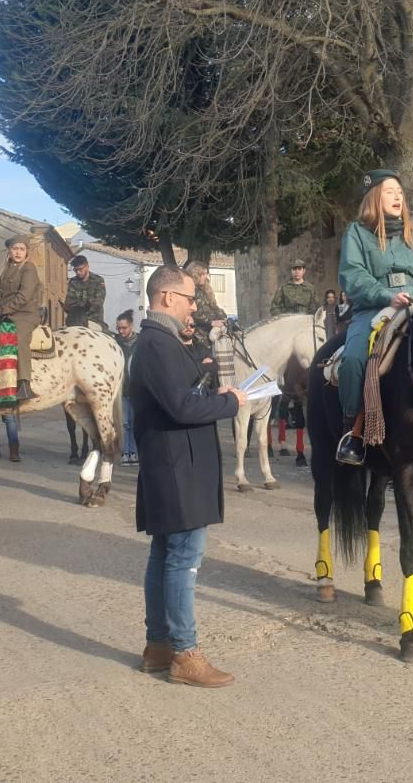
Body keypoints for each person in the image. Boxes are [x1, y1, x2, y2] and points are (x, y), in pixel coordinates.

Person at [131, 263, 247, 687]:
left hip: (176, 464)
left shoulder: (163, 342)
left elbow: (181, 396)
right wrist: (230, 403)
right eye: (188, 298)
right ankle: (184, 653)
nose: (193, 307)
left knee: (165, 554)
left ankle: (159, 646)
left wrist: (210, 387)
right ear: (165, 298)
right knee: (183, 560)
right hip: (176, 466)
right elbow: (181, 408)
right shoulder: (156, 344)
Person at [335, 170, 413, 465]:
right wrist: (385, 295)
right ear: (375, 196)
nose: (397, 197)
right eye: (390, 192)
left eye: (400, 193)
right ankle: (352, 431)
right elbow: (352, 274)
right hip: (373, 309)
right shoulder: (357, 232)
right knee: (353, 359)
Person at [0, 234, 44, 403]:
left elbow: (24, 296)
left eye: (21, 249)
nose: (18, 252)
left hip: (25, 315)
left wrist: (1, 310)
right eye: (15, 249)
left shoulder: (28, 268)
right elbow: (0, 296)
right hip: (6, 313)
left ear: (26, 252)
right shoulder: (5, 269)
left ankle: (24, 384)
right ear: (9, 251)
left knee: (18, 338)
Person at [116, 311, 140, 466]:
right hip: (122, 389)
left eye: (124, 328)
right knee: (125, 423)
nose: (121, 331)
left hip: (137, 390)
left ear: (131, 326)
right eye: (118, 328)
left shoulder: (141, 342)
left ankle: (135, 453)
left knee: (136, 423)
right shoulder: (115, 343)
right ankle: (126, 452)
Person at [63, 255, 107, 329]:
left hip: (94, 320)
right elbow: (69, 303)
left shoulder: (98, 281)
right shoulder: (72, 282)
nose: (78, 272)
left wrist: (81, 311)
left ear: (87, 266)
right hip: (75, 321)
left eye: (80, 269)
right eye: (75, 270)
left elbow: (98, 303)